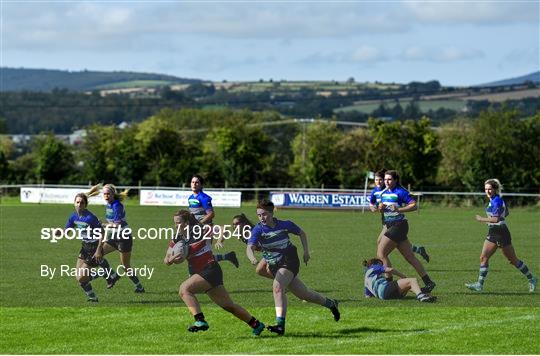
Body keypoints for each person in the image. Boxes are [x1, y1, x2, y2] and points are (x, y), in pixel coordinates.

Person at [247, 199, 340, 336]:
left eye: (264, 214)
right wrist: (252, 257)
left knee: (277, 287)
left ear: (272, 213)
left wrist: (306, 251)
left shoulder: (285, 224)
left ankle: (280, 325)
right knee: (305, 294)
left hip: (290, 259)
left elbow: (302, 233)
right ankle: (331, 304)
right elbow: (249, 247)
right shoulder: (258, 229)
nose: (262, 218)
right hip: (274, 265)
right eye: (259, 215)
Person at [164, 210, 266, 336]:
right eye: (175, 223)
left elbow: (223, 229)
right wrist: (171, 260)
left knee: (184, 290)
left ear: (186, 222)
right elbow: (166, 259)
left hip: (210, 269)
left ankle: (200, 321)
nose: (176, 226)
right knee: (228, 306)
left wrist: (219, 240)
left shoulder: (200, 230)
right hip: (200, 272)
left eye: (179, 223)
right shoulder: (176, 237)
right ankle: (256, 324)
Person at [465, 178, 537, 293]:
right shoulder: (493, 200)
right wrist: (499, 216)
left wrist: (481, 219)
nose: (487, 191)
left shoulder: (496, 201)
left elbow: (496, 219)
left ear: (494, 189)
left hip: (501, 233)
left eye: (490, 189)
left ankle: (532, 279)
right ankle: (479, 285)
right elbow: (506, 212)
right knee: (483, 258)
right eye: (486, 189)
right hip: (493, 232)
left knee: (513, 260)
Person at [376, 170, 436, 293]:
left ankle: (389, 284)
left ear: (395, 180)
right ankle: (429, 283)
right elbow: (383, 211)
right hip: (390, 225)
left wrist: (399, 209)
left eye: (389, 179)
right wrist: (380, 208)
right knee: (410, 257)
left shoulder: (401, 192)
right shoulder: (383, 193)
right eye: (385, 179)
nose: (386, 181)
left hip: (399, 225)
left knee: (381, 254)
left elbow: (414, 205)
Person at [62, 192, 118, 302]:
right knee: (78, 278)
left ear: (85, 205)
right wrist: (59, 233)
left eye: (82, 203)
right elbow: (66, 231)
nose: (79, 205)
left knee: (82, 277)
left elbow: (102, 233)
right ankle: (93, 297)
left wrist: (98, 250)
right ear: (74, 203)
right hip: (84, 247)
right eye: (77, 202)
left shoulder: (91, 218)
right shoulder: (73, 217)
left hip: (94, 248)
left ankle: (104, 274)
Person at [369, 168, 430, 263]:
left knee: (382, 243)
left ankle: (384, 269)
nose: (379, 182)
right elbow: (372, 203)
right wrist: (374, 207)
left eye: (381, 179)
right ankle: (418, 250)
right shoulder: (378, 192)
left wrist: (395, 209)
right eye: (377, 180)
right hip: (386, 220)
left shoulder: (391, 191)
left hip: (394, 222)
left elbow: (412, 205)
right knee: (397, 244)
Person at [96, 184, 144, 293]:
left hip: (124, 237)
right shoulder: (108, 205)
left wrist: (102, 224)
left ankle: (139, 286)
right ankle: (112, 276)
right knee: (98, 254)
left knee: (125, 265)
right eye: (104, 194)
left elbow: (117, 225)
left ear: (113, 194)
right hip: (114, 236)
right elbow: (111, 224)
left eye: (108, 194)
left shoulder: (117, 205)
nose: (106, 196)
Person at [188, 175, 239, 268]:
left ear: (201, 185)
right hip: (195, 229)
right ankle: (228, 256)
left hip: (204, 230)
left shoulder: (204, 198)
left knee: (198, 256)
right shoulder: (190, 197)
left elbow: (211, 214)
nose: (194, 184)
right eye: (192, 182)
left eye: (197, 182)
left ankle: (203, 276)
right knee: (198, 255)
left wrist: (200, 223)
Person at [215, 213, 273, 279]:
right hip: (268, 252)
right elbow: (226, 231)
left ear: (244, 223)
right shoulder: (240, 233)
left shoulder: (251, 233)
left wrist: (252, 258)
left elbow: (251, 247)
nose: (234, 226)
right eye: (233, 224)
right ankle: (283, 281)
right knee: (260, 271)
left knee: (269, 269)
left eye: (237, 223)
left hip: (274, 250)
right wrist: (219, 241)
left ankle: (282, 282)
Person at [363, 258, 436, 302]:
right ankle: (421, 296)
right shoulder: (374, 267)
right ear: (376, 263)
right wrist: (403, 276)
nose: (382, 266)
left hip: (384, 296)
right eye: (381, 264)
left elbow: (367, 296)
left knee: (409, 285)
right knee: (412, 280)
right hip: (385, 289)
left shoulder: (366, 280)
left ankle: (423, 295)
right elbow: (390, 270)